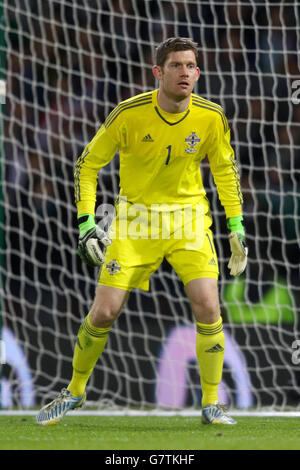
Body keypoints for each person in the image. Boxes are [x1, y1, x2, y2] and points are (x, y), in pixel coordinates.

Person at [36, 37, 247, 426]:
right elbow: (87, 164)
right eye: (177, 66)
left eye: (191, 66)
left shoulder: (211, 117)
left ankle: (212, 403)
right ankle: (75, 391)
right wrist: (86, 223)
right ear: (158, 72)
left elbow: (225, 171)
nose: (186, 73)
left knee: (208, 304)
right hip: (135, 222)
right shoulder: (128, 114)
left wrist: (236, 224)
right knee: (104, 311)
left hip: (188, 220)